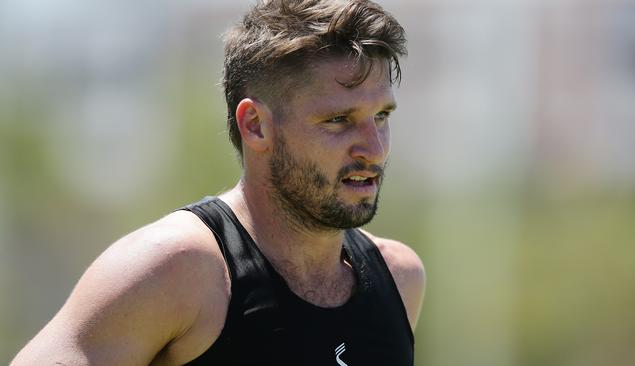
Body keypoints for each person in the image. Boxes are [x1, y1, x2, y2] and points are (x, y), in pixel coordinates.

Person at [11, 0, 426, 364]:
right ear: (256, 125)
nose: (373, 148)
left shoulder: (399, 278)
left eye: (382, 117)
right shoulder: (175, 269)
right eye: (338, 120)